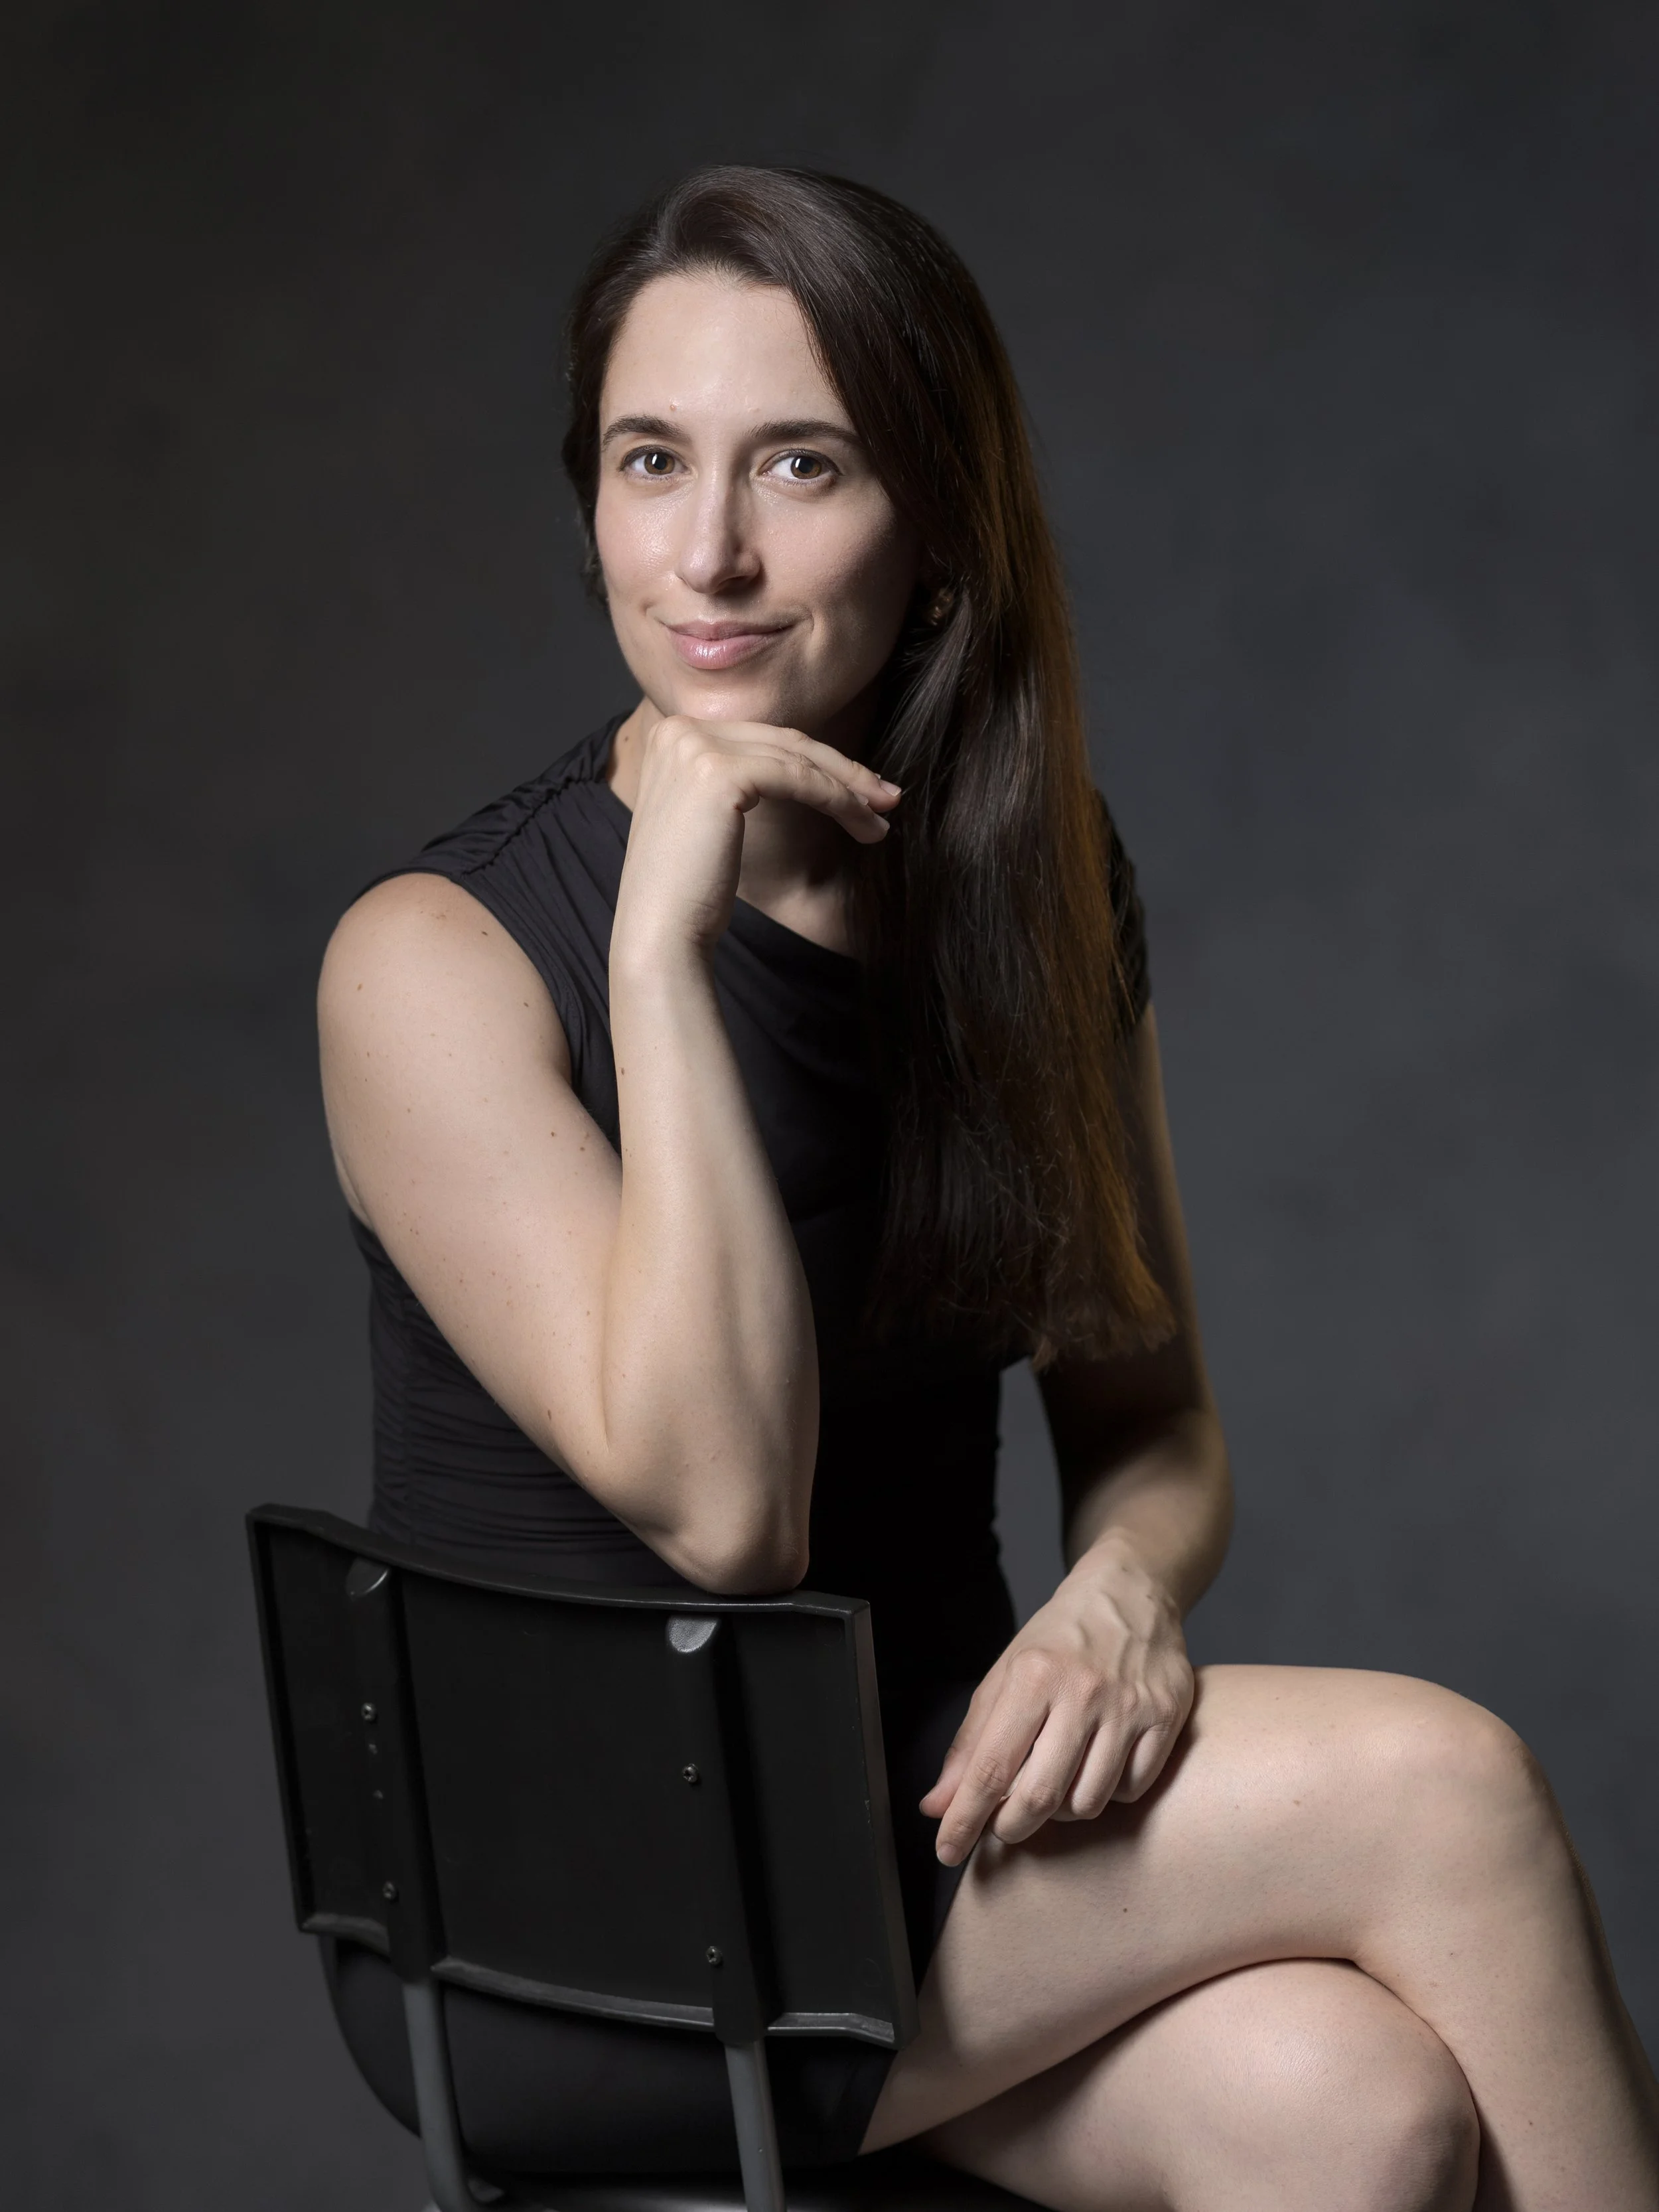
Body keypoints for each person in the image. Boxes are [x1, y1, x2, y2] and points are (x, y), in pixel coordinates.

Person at [316, 165, 1658, 2212]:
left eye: (801, 463)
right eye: (649, 460)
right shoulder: (432, 961)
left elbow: (1150, 1419)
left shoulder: (1027, 891)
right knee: (1442, 1790)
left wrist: (1120, 1596)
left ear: (937, 524)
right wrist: (662, 956)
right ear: (588, 498)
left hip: (912, 1807)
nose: (709, 550)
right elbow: (728, 1514)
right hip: (570, 1919)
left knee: (1347, 2103)